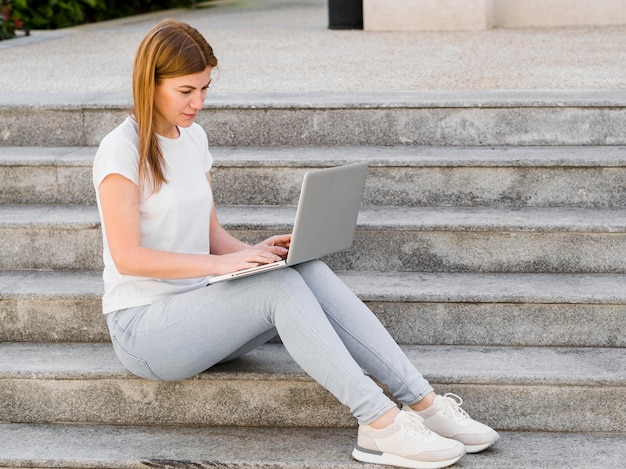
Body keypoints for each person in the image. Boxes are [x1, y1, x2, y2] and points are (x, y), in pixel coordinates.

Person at [92, 19, 499, 469]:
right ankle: (379, 425)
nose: (199, 103)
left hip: (200, 313)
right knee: (277, 288)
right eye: (186, 91)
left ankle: (423, 403)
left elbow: (211, 236)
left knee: (301, 268)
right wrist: (224, 267)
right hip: (144, 332)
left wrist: (254, 253)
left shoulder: (193, 139)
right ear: (150, 82)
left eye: (205, 89)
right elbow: (129, 258)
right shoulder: (121, 149)